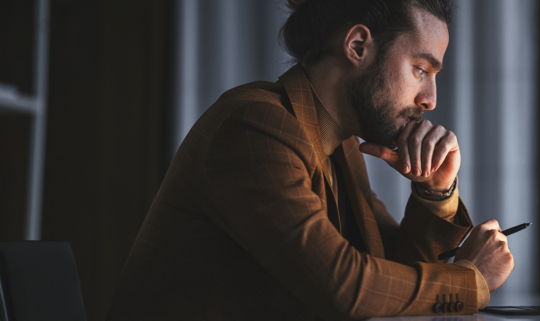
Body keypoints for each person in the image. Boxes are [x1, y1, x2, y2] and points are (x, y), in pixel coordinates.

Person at [107, 0, 513, 319]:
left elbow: (389, 273)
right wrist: (469, 279)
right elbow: (346, 287)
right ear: (357, 46)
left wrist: (434, 191)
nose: (431, 99)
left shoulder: (339, 147)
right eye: (420, 69)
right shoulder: (254, 124)